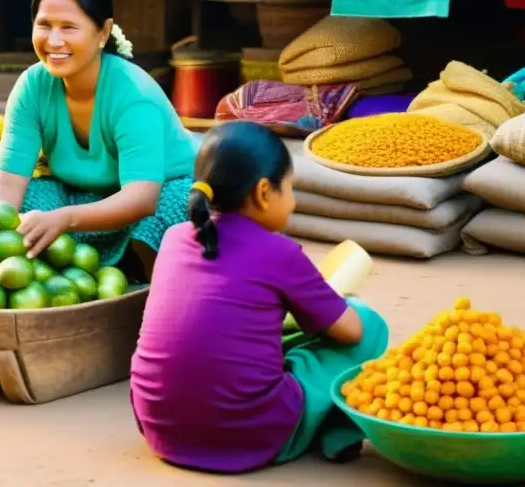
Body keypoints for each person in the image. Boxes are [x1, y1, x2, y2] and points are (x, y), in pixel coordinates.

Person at [130, 121, 389, 474]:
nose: (293, 201)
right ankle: (335, 432)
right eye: (291, 189)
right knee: (369, 326)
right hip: (250, 436)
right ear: (264, 191)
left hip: (161, 428)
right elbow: (352, 332)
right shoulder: (279, 252)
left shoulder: (174, 239)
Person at [0, 0, 196, 271]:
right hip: (82, 197)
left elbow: (141, 197)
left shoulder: (133, 94)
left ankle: (140, 285)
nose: (54, 41)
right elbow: (6, 182)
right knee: (25, 200)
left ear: (103, 33)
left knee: (170, 212)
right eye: (44, 25)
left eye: (69, 27)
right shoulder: (32, 86)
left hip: (156, 193)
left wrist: (64, 219)